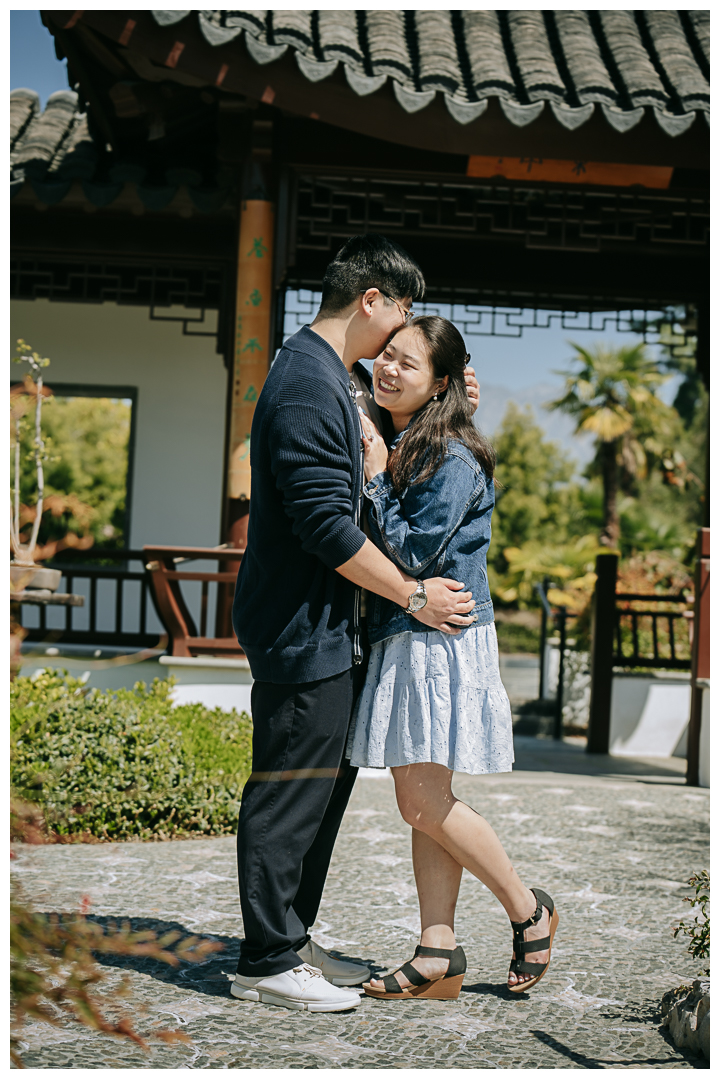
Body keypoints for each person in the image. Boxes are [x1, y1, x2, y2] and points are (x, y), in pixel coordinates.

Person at [230, 235, 481, 1013]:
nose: (401, 332)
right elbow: (327, 527)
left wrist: (451, 398)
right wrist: (413, 597)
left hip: (332, 632)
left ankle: (293, 937)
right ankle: (267, 958)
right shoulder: (307, 380)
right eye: (402, 311)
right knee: (288, 794)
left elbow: (393, 450)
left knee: (321, 795)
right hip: (301, 627)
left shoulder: (328, 377)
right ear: (372, 300)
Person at [349, 314, 559, 1001]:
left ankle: (529, 909)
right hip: (413, 634)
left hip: (439, 639)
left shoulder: (452, 456)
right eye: (385, 356)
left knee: (421, 801)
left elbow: (413, 554)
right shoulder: (413, 437)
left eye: (407, 364)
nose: (387, 369)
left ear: (440, 383)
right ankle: (436, 950)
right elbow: (351, 374)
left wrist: (378, 476)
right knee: (425, 802)